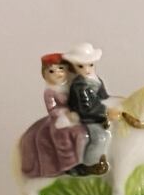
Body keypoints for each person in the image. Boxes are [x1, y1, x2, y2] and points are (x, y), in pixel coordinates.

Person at [18, 53, 89, 185]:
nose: (57, 73)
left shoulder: (71, 85)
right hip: (60, 119)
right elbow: (52, 109)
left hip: (77, 116)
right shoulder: (50, 92)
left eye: (61, 69)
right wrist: (65, 113)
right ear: (44, 75)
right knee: (61, 136)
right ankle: (68, 165)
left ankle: (82, 161)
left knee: (82, 134)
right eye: (51, 71)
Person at [63, 42, 118, 175]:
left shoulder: (96, 80)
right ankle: (89, 164)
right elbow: (86, 108)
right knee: (101, 137)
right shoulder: (79, 86)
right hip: (88, 117)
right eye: (81, 66)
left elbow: (104, 97)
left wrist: (117, 103)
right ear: (74, 67)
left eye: (91, 65)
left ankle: (110, 158)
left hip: (99, 114)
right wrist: (106, 112)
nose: (87, 69)